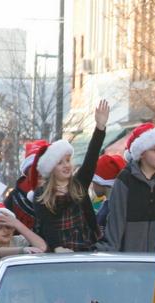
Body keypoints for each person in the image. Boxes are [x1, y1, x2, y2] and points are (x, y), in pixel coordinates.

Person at [33, 100, 110, 252]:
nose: (66, 165)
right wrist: (57, 247)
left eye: (68, 161)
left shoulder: (78, 183)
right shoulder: (41, 194)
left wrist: (100, 127)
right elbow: (47, 225)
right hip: (59, 252)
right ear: (51, 168)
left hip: (85, 248)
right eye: (60, 163)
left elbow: (92, 156)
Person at [101, 123, 155, 252]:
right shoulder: (124, 180)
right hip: (130, 260)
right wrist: (110, 256)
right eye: (154, 149)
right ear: (141, 153)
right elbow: (115, 222)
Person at [0, 203, 47, 272]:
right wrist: (22, 250)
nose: (5, 231)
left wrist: (17, 224)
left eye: (9, 227)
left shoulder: (18, 240)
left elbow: (41, 247)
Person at [3, 140, 49, 230]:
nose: (39, 171)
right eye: (35, 167)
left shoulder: (59, 195)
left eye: (43, 166)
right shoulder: (13, 198)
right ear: (27, 171)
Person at [91, 154, 127, 230]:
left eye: (93, 181)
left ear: (102, 182)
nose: (92, 185)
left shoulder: (106, 213)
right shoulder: (125, 203)